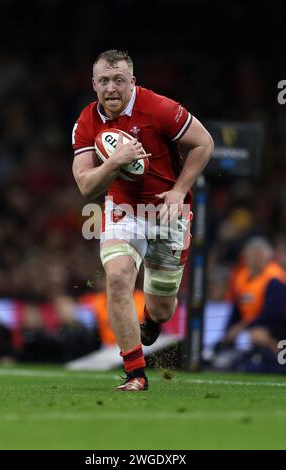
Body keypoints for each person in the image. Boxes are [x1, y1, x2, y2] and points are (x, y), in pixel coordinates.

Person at [72, 50, 214, 391]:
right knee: (119, 279)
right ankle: (136, 373)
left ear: (132, 82)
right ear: (94, 84)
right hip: (123, 211)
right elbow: (85, 185)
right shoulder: (86, 122)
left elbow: (204, 143)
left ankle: (151, 320)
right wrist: (113, 163)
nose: (111, 88)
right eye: (103, 81)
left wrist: (180, 191)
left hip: (168, 210)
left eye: (119, 80)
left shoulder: (159, 108)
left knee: (163, 309)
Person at [214, 237, 286, 366]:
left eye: (260, 256)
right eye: (253, 256)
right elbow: (236, 309)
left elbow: (273, 313)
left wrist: (244, 327)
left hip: (273, 327)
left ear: (268, 257)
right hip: (250, 325)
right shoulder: (241, 277)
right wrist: (229, 331)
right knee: (231, 339)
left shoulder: (275, 279)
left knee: (251, 337)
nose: (256, 260)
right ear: (246, 258)